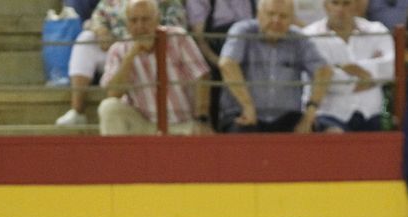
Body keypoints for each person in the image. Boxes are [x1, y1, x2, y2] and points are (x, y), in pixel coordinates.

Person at [57, 0, 187, 126]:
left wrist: (141, 39)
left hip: (154, 53)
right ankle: (77, 111)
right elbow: (95, 18)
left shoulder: (168, 2)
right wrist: (100, 30)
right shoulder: (112, 2)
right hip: (115, 51)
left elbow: (176, 29)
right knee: (85, 38)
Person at [97, 0, 212, 133]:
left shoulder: (178, 37)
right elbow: (113, 93)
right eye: (134, 20)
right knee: (108, 107)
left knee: (197, 133)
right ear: (126, 23)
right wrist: (131, 55)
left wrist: (201, 119)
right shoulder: (118, 49)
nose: (140, 26)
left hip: (182, 123)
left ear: (157, 19)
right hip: (142, 122)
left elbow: (202, 76)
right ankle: (118, 154)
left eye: (145, 19)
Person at [219, 0, 333, 131]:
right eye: (270, 14)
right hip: (243, 112)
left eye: (283, 16)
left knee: (314, 133)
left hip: (287, 116)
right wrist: (247, 105)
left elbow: (324, 71)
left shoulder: (298, 38)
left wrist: (310, 113)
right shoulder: (243, 30)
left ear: (292, 19)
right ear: (258, 15)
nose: (276, 21)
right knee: (240, 134)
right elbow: (227, 64)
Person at [304, 0, 394, 129]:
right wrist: (368, 76)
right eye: (335, 3)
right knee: (333, 136)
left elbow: (389, 69)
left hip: (371, 113)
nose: (340, 9)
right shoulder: (309, 36)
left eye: (346, 3)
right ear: (325, 5)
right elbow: (318, 78)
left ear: (356, 5)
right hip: (328, 113)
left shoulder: (377, 30)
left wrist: (346, 68)